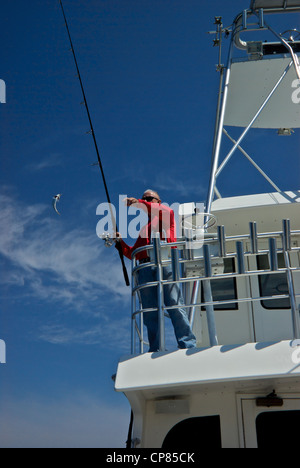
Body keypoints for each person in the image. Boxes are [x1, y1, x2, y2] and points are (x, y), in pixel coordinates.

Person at [116, 189, 196, 352]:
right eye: (144, 198)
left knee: (174, 304)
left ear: (158, 202)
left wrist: (138, 202)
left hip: (165, 263)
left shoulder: (166, 213)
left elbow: (162, 211)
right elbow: (133, 254)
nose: (145, 200)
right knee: (150, 311)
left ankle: (187, 344)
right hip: (144, 268)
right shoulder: (144, 229)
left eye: (149, 198)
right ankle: (155, 348)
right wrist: (120, 242)